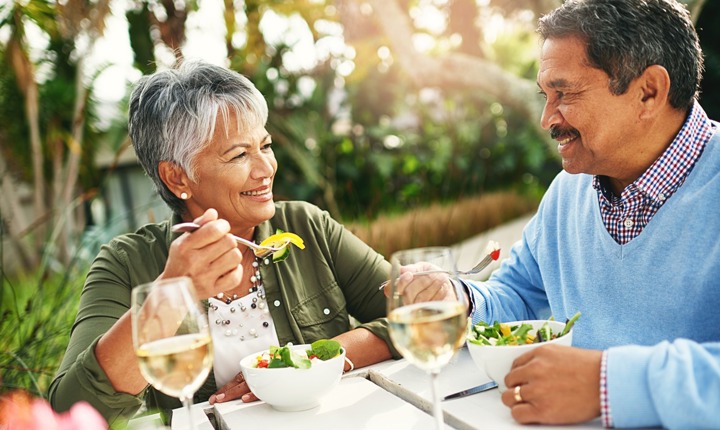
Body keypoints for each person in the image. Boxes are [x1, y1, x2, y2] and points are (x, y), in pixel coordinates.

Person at [396, 0, 720, 428]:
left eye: (565, 93)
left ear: (649, 92)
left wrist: (604, 383)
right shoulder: (568, 191)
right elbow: (519, 296)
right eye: (545, 96)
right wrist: (459, 299)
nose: (549, 117)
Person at [49, 60, 399, 425]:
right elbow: (70, 411)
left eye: (265, 145)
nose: (265, 169)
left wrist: (295, 367)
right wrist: (171, 292)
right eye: (240, 155)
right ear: (177, 176)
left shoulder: (306, 226)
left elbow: (414, 315)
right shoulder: (125, 263)